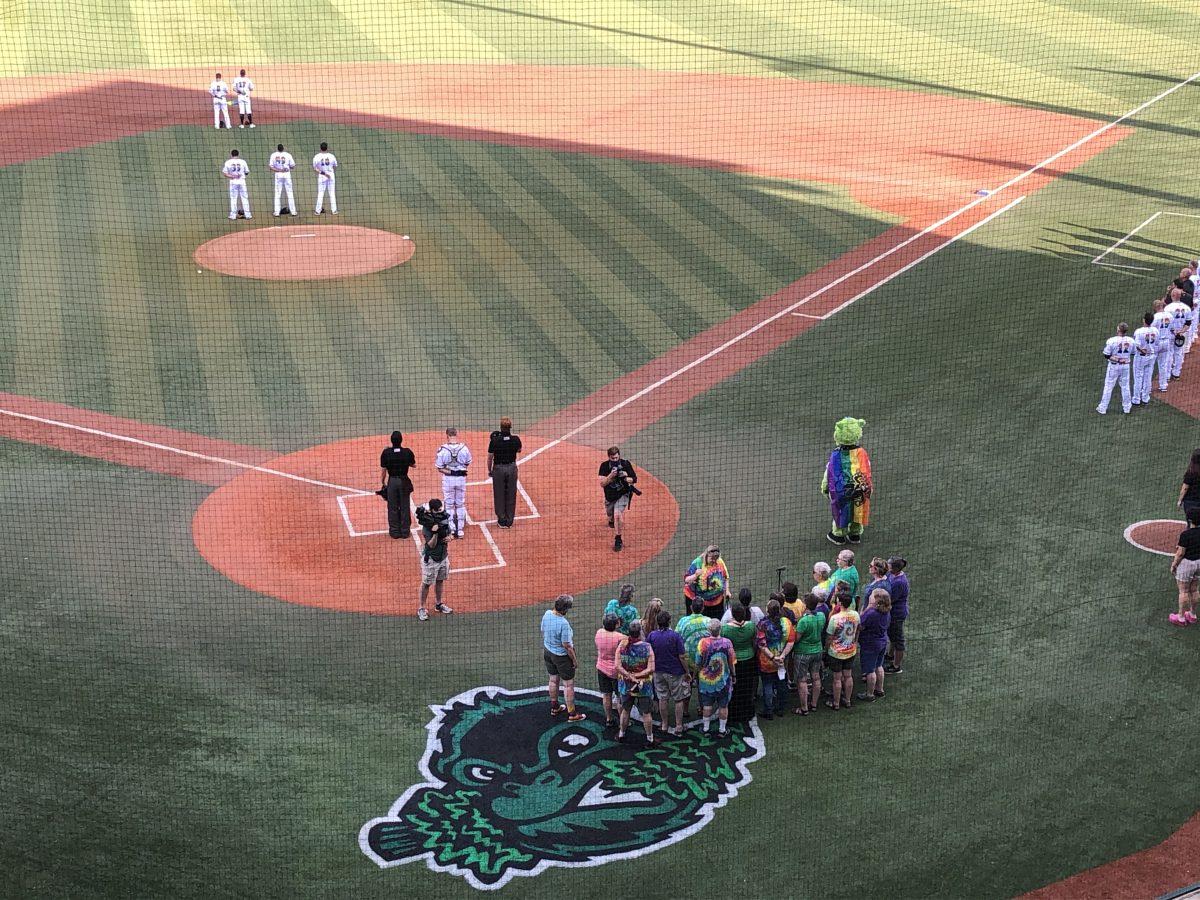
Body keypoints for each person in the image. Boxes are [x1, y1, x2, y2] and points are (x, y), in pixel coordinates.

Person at [541, 594, 585, 721]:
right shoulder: (563, 623)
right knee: (568, 685)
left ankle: (555, 707)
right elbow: (567, 646)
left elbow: (543, 630)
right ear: (565, 609)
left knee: (553, 680)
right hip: (561, 657)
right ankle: (572, 714)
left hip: (547, 651)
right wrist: (574, 661)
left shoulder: (547, 614)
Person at [648, 612, 690, 736]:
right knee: (678, 699)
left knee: (662, 698)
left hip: (658, 672)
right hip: (675, 672)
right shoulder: (675, 636)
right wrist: (687, 672)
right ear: (669, 622)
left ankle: (664, 724)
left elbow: (648, 653)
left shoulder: (652, 636)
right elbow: (682, 656)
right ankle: (678, 726)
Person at [615, 622, 656, 743]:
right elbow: (651, 669)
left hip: (625, 685)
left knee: (625, 710)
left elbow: (617, 666)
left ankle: (621, 734)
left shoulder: (622, 645)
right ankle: (650, 739)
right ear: (640, 632)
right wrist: (637, 676)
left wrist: (629, 676)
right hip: (643, 686)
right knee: (646, 713)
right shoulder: (647, 647)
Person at [755, 599, 795, 720]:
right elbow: (791, 641)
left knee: (767, 685)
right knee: (781, 684)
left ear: (768, 610)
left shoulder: (763, 624)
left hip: (767, 662)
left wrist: (773, 657)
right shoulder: (786, 622)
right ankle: (781, 708)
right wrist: (782, 656)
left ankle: (769, 711)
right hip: (781, 662)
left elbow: (761, 644)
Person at [696, 619, 736, 736]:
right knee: (723, 706)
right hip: (723, 681)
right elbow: (731, 662)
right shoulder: (727, 643)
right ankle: (722, 730)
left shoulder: (703, 643)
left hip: (706, 681)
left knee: (707, 705)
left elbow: (698, 662)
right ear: (720, 629)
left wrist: (697, 675)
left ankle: (706, 729)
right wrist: (734, 675)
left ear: (709, 630)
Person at [416, 498, 454, 621]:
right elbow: (431, 545)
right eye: (437, 510)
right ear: (432, 510)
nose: (440, 512)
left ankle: (439, 604)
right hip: (431, 559)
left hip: (443, 556)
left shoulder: (442, 519)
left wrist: (450, 537)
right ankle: (421, 608)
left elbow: (450, 533)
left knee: (440, 580)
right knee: (426, 583)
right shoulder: (427, 526)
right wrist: (436, 533)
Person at [722, 604, 758, 723]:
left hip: (734, 662)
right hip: (749, 660)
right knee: (747, 687)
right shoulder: (751, 626)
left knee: (734, 688)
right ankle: (747, 712)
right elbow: (754, 641)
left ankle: (733, 714)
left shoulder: (726, 629)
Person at [791, 594, 826, 716]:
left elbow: (796, 639)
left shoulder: (804, 621)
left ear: (806, 605)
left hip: (803, 653)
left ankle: (804, 708)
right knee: (816, 677)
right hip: (817, 651)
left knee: (802, 680)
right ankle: (814, 704)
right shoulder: (821, 616)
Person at [824, 591, 860, 710]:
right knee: (848, 676)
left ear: (840, 602)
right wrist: (855, 641)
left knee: (837, 678)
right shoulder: (855, 615)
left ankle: (836, 703)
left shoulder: (835, 618)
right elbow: (858, 629)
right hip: (850, 650)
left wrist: (826, 649)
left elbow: (829, 637)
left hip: (836, 652)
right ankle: (848, 700)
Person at [435, 427, 472, 538]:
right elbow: (467, 463)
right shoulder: (464, 448)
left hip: (448, 480)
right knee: (460, 504)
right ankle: (460, 530)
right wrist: (458, 470)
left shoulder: (442, 449)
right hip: (461, 479)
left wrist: (451, 471)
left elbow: (440, 468)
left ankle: (451, 529)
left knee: (449, 505)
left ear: (447, 435)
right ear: (456, 434)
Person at [598, 447, 637, 552]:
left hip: (623, 494)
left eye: (616, 458)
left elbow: (634, 479)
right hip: (610, 496)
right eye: (612, 458)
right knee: (610, 514)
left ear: (619, 455)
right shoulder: (604, 466)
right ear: (609, 457)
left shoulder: (625, 464)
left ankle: (618, 539)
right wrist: (611, 476)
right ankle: (610, 520)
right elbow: (602, 483)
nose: (615, 460)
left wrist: (625, 477)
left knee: (617, 514)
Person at [380, 430, 416, 539]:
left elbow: (383, 470)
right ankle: (405, 532)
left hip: (392, 482)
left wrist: (383, 482)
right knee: (405, 505)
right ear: (401, 440)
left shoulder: (386, 453)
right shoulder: (407, 452)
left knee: (392, 507)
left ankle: (394, 532)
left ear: (391, 441)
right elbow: (413, 465)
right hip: (404, 481)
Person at [857, 589, 892, 701]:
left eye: (872, 595)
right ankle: (879, 690)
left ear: (877, 600)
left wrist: (865, 609)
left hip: (870, 644)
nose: (870, 597)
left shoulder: (871, 613)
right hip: (882, 642)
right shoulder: (887, 611)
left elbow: (860, 625)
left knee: (870, 670)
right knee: (879, 666)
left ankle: (870, 694)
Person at [487, 417, 522, 527]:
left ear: (501, 427)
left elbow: (490, 458)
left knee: (499, 494)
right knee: (511, 493)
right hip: (512, 468)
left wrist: (490, 470)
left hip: (499, 469)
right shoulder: (516, 439)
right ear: (510, 427)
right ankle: (509, 520)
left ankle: (501, 520)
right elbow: (519, 450)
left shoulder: (495, 441)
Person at [1169, 507, 1200, 626]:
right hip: (1199, 562)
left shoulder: (1185, 535)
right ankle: (1192, 615)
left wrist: (1174, 565)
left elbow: (1180, 553)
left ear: (1190, 519)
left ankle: (1181, 618)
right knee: (1194, 589)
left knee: (1183, 591)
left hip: (1187, 564)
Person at [1096, 322, 1135, 415]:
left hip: (1113, 366)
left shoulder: (1111, 340)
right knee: (1125, 387)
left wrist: (1117, 359)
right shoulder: (1131, 341)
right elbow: (1133, 353)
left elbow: (1106, 355)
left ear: (1118, 330)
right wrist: (1123, 358)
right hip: (1125, 366)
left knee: (1108, 387)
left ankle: (1102, 408)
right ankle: (1127, 408)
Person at [684, 545, 731, 617]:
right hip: (701, 604)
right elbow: (686, 580)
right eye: (712, 558)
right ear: (706, 555)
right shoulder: (698, 563)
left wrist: (727, 590)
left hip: (717, 602)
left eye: (716, 559)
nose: (714, 561)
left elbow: (726, 577)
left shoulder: (720, 561)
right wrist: (695, 575)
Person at [594, 613, 624, 728]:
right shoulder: (620, 637)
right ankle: (623, 721)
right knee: (619, 697)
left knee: (606, 695)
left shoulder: (599, 633)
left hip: (601, 668)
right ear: (616, 624)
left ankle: (609, 719)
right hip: (616, 672)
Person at [885, 557, 910, 674]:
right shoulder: (893, 575)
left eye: (889, 566)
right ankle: (890, 655)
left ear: (895, 568)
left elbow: (891, 599)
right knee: (892, 635)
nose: (887, 568)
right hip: (893, 613)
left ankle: (896, 666)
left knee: (898, 640)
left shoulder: (899, 582)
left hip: (897, 614)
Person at [1165, 291, 1194, 380]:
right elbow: (1188, 323)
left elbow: (1166, 323)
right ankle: (1176, 373)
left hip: (1170, 334)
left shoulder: (1168, 308)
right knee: (1179, 353)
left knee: (1169, 354)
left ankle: (1167, 376)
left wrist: (1174, 331)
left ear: (1173, 296)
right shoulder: (1187, 308)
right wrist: (1181, 331)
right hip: (1181, 334)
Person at [1132, 311, 1159, 406]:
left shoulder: (1139, 331)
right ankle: (1145, 398)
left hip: (1141, 357)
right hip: (1151, 356)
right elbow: (1156, 344)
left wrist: (1142, 350)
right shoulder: (1156, 330)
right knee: (1148, 377)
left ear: (1144, 320)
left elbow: (1136, 345)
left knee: (1138, 377)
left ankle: (1136, 399)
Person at [221, 149, 251, 221]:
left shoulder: (228, 162)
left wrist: (232, 176)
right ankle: (248, 215)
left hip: (233, 182)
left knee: (233, 199)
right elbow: (247, 172)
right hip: (242, 182)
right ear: (238, 154)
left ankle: (233, 216)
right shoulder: (243, 162)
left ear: (231, 155)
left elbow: (225, 173)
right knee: (244, 198)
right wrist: (241, 174)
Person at [1152, 299, 1174, 393]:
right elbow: (1172, 329)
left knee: (1151, 365)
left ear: (1156, 307)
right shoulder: (1169, 315)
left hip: (1157, 343)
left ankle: (1147, 389)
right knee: (1163, 364)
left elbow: (1151, 331)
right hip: (1166, 342)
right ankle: (1163, 386)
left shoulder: (1155, 317)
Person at [269, 144, 297, 217]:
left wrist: (279, 170)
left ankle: (277, 212)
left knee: (277, 194)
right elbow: (293, 165)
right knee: (290, 193)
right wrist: (287, 168)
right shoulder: (288, 155)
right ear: (283, 148)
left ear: (277, 149)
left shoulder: (273, 155)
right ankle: (293, 212)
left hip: (278, 175)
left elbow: (271, 167)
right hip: (287, 175)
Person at [313, 142, 339, 215]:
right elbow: (335, 166)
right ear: (327, 148)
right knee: (332, 193)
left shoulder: (317, 156)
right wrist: (329, 172)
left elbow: (315, 168)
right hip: (331, 175)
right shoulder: (332, 156)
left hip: (322, 175)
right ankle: (334, 211)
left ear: (320, 148)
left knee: (320, 193)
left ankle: (317, 211)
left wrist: (324, 173)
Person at [1179, 449, 1200, 526]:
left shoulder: (1191, 472)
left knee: (1192, 523)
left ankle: (1191, 536)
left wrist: (1179, 501)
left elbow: (1185, 488)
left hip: (1190, 503)